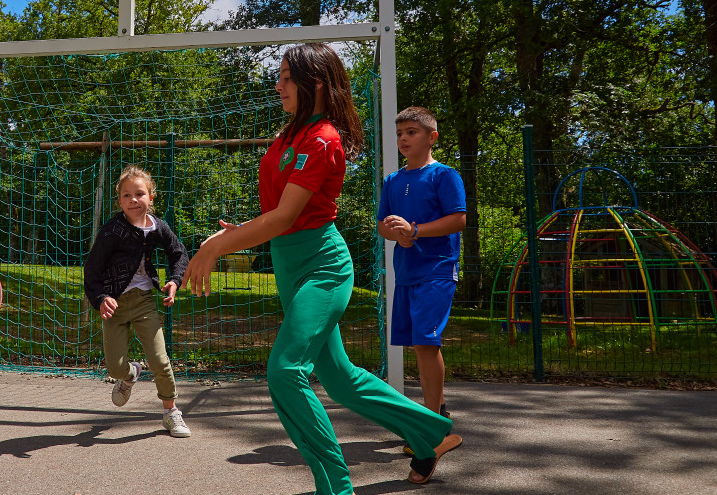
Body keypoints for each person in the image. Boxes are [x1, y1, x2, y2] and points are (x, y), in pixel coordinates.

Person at [183, 44, 461, 491]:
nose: (279, 85)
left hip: (323, 267)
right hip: (289, 264)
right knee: (342, 380)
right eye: (280, 76)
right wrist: (242, 229)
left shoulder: (323, 138)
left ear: (315, 82)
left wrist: (218, 244)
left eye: (288, 77)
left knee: (285, 370)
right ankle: (431, 431)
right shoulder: (288, 133)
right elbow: (279, 213)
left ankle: (335, 486)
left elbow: (286, 217)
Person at [376, 106, 466, 453]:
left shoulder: (444, 175)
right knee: (417, 344)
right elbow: (383, 223)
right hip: (408, 273)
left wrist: (415, 230)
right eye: (400, 133)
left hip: (438, 269)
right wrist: (396, 233)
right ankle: (436, 415)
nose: (403, 139)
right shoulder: (393, 181)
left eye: (412, 132)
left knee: (427, 342)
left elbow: (457, 219)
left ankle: (434, 424)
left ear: (432, 137)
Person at [83, 165, 193, 438]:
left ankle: (171, 412)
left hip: (144, 301)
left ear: (151, 197)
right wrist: (100, 298)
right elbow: (92, 269)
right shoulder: (112, 231)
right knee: (114, 367)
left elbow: (179, 253)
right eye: (126, 195)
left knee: (160, 360)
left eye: (139, 194)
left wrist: (174, 281)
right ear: (119, 200)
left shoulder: (158, 228)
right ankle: (131, 373)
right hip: (115, 304)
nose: (133, 200)